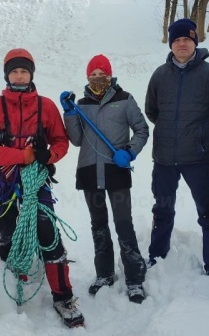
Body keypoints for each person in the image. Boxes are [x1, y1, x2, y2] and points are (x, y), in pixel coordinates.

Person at [0, 48, 84, 327]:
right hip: (4, 183)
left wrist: (50, 156)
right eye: (14, 71)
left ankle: (63, 295)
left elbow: (60, 140)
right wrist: (20, 156)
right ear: (7, 75)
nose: (19, 75)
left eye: (24, 71)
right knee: (9, 230)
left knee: (48, 232)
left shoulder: (46, 107)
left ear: (31, 74)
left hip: (36, 181)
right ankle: (13, 264)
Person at [145, 18, 209, 273]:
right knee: (162, 209)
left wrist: (205, 135)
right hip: (163, 159)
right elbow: (152, 111)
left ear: (195, 42)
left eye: (187, 39)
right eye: (177, 40)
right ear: (171, 44)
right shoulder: (160, 75)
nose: (182, 44)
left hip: (199, 159)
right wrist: (167, 132)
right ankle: (157, 258)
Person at [60, 54, 149, 303]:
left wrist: (130, 151)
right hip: (90, 173)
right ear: (88, 78)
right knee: (98, 225)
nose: (98, 79)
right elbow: (76, 139)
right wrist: (69, 112)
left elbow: (142, 129)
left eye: (103, 75)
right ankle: (104, 274)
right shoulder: (81, 104)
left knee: (123, 224)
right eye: (94, 75)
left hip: (116, 171)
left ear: (110, 76)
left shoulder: (124, 99)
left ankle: (134, 278)